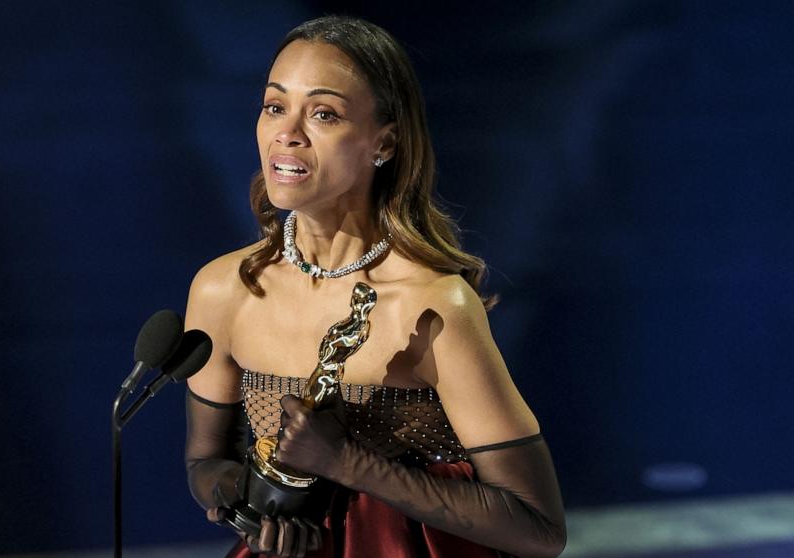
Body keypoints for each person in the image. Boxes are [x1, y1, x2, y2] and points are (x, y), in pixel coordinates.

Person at [183, 15, 566, 558]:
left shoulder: (431, 305)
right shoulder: (223, 289)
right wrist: (253, 502)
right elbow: (205, 461)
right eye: (274, 106)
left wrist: (347, 463)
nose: (287, 132)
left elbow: (539, 529)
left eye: (323, 113)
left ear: (383, 142)